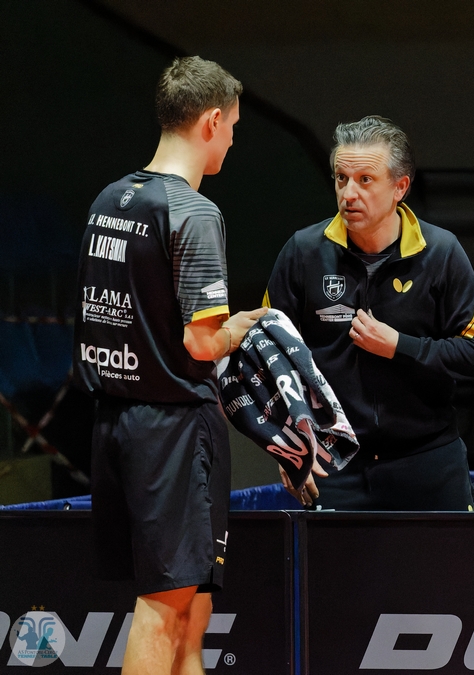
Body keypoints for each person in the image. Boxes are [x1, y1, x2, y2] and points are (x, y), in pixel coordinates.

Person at [73, 56, 266, 674]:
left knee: (189, 615)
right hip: (173, 432)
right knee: (162, 612)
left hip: (116, 423)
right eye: (232, 126)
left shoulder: (110, 199)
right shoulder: (194, 212)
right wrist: (245, 327)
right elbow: (203, 343)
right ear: (211, 121)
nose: (232, 140)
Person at [264, 115, 474, 511]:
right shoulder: (302, 252)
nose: (349, 194)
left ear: (399, 188)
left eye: (365, 180)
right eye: (341, 179)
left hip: (429, 464)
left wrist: (400, 346)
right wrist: (286, 443)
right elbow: (266, 353)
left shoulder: (441, 253)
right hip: (336, 466)